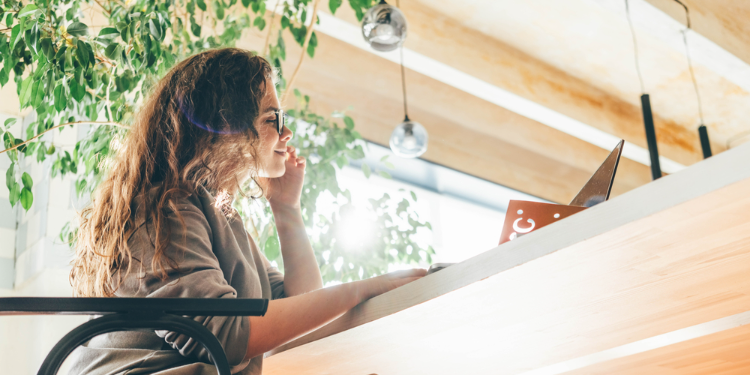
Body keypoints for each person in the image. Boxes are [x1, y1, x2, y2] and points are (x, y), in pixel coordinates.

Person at [67, 48, 426, 375]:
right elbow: (223, 335)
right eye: (273, 118)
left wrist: (286, 211)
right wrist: (362, 290)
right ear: (226, 125)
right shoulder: (165, 208)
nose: (286, 132)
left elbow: (298, 314)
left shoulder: (218, 215)